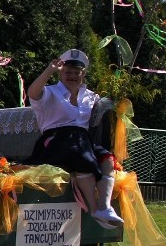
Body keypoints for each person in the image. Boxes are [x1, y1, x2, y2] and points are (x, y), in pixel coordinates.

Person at [26, 49, 123, 229]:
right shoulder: (50, 92)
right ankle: (94, 209)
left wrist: (119, 102)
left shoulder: (90, 96)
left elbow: (104, 114)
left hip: (82, 141)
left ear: (83, 74)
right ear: (61, 73)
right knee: (80, 155)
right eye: (67, 72)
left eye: (76, 73)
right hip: (56, 140)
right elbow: (32, 93)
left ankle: (104, 207)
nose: (72, 76)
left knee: (108, 159)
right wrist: (49, 70)